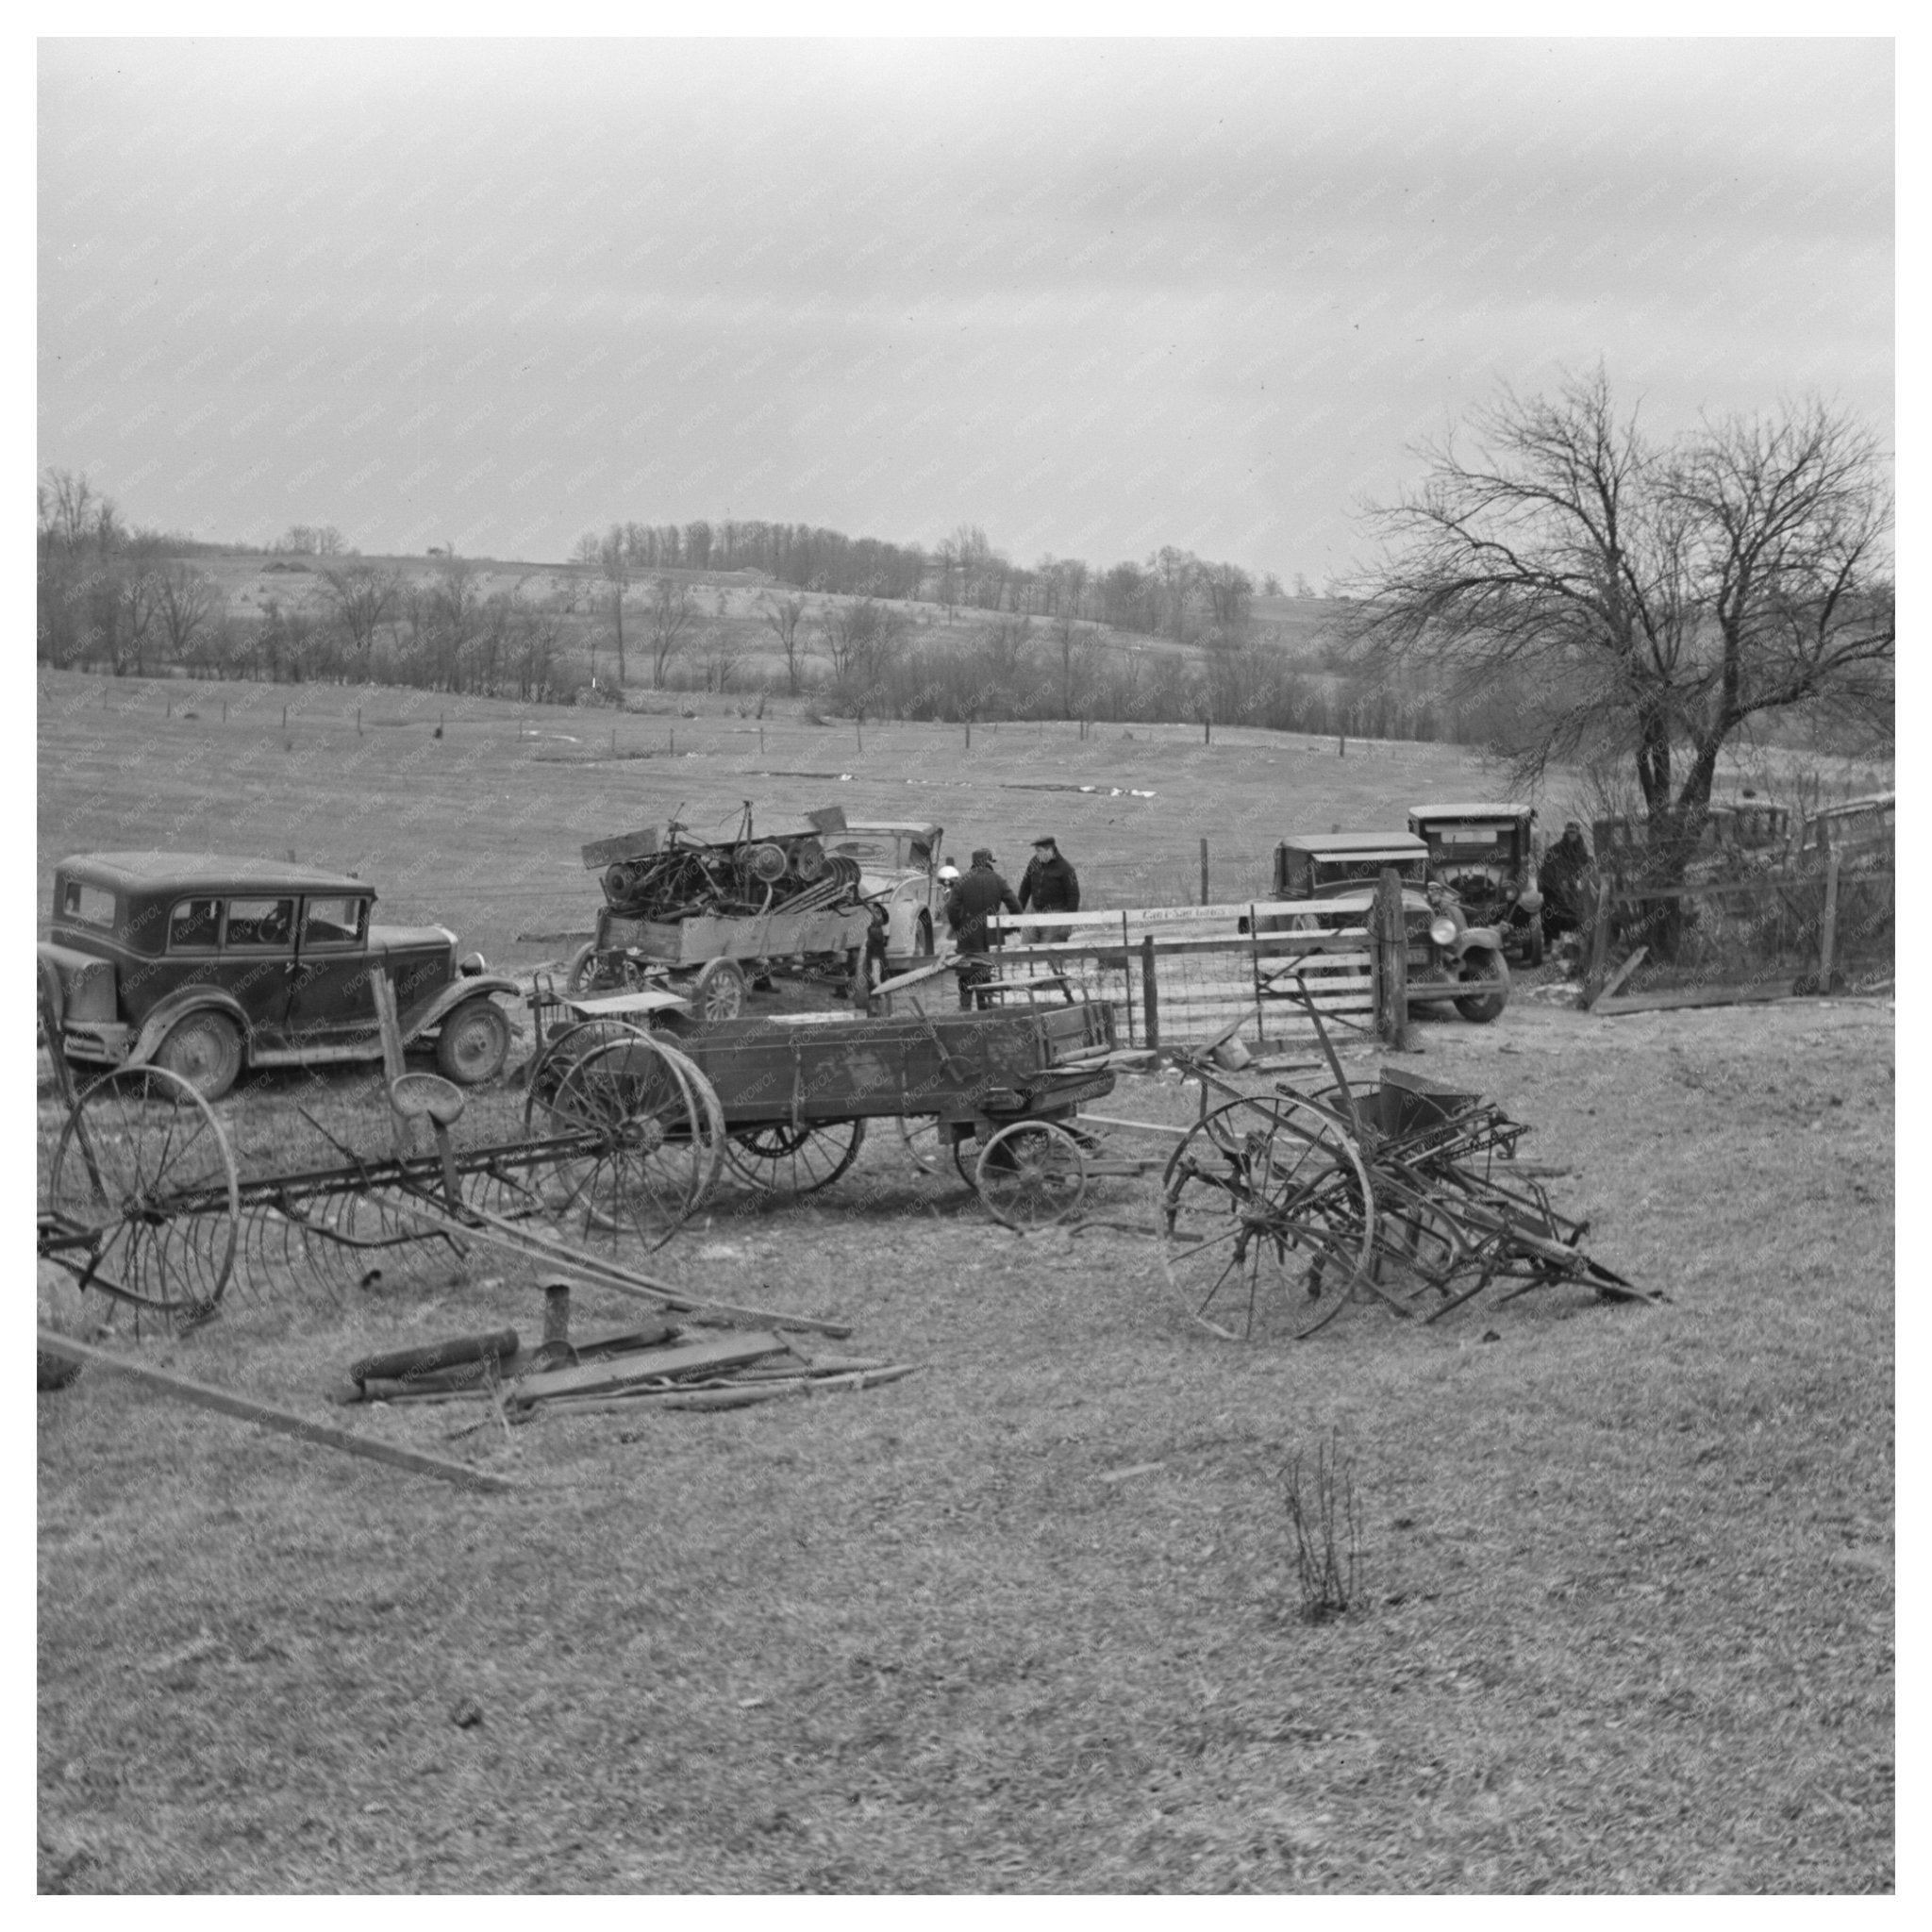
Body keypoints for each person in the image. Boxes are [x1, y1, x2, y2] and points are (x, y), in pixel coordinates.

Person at [945, 847, 1020, 1008]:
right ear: (987, 862)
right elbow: (1015, 907)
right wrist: (1006, 929)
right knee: (986, 972)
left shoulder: (962, 881)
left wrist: (959, 926)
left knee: (966, 972)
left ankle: (964, 1008)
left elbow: (951, 908)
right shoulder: (998, 880)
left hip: (968, 935)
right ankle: (984, 1009)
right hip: (992, 936)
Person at [1018, 834, 1080, 946]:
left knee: (1050, 952)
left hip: (1056, 916)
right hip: (1034, 912)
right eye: (1036, 851)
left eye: (1039, 851)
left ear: (1050, 850)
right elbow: (1025, 888)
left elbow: (1074, 896)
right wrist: (1017, 912)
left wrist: (1068, 924)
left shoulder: (1066, 869)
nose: (1037, 854)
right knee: (1025, 948)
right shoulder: (1034, 863)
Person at [1538, 821, 1593, 943]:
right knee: (1552, 916)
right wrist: (1559, 883)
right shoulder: (1555, 850)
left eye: (1574, 832)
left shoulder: (1582, 852)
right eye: (1569, 832)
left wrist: (1575, 882)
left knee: (1577, 917)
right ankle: (1551, 944)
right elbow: (1546, 872)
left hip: (1575, 892)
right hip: (1555, 891)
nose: (1571, 834)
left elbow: (1585, 870)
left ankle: (1575, 946)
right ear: (1565, 832)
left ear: (1578, 832)